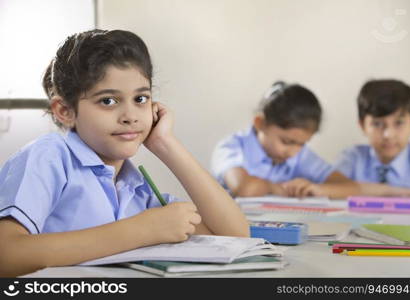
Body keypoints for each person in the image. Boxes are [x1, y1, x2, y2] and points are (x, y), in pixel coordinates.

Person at [0, 29, 249, 277]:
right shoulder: (50, 156)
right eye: (108, 101)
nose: (130, 116)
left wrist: (165, 143)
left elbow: (234, 237)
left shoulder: (135, 187)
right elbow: (6, 255)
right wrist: (141, 230)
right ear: (65, 110)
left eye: (141, 98)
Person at [211, 81, 359, 199]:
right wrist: (277, 188)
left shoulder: (300, 155)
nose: (293, 152)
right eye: (286, 142)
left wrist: (315, 188)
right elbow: (244, 188)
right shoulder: (231, 148)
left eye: (302, 144)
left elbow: (350, 188)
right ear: (260, 123)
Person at [335, 79, 410, 194]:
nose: (388, 135)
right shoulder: (352, 158)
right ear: (362, 125)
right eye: (377, 124)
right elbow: (328, 189)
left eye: (399, 123)